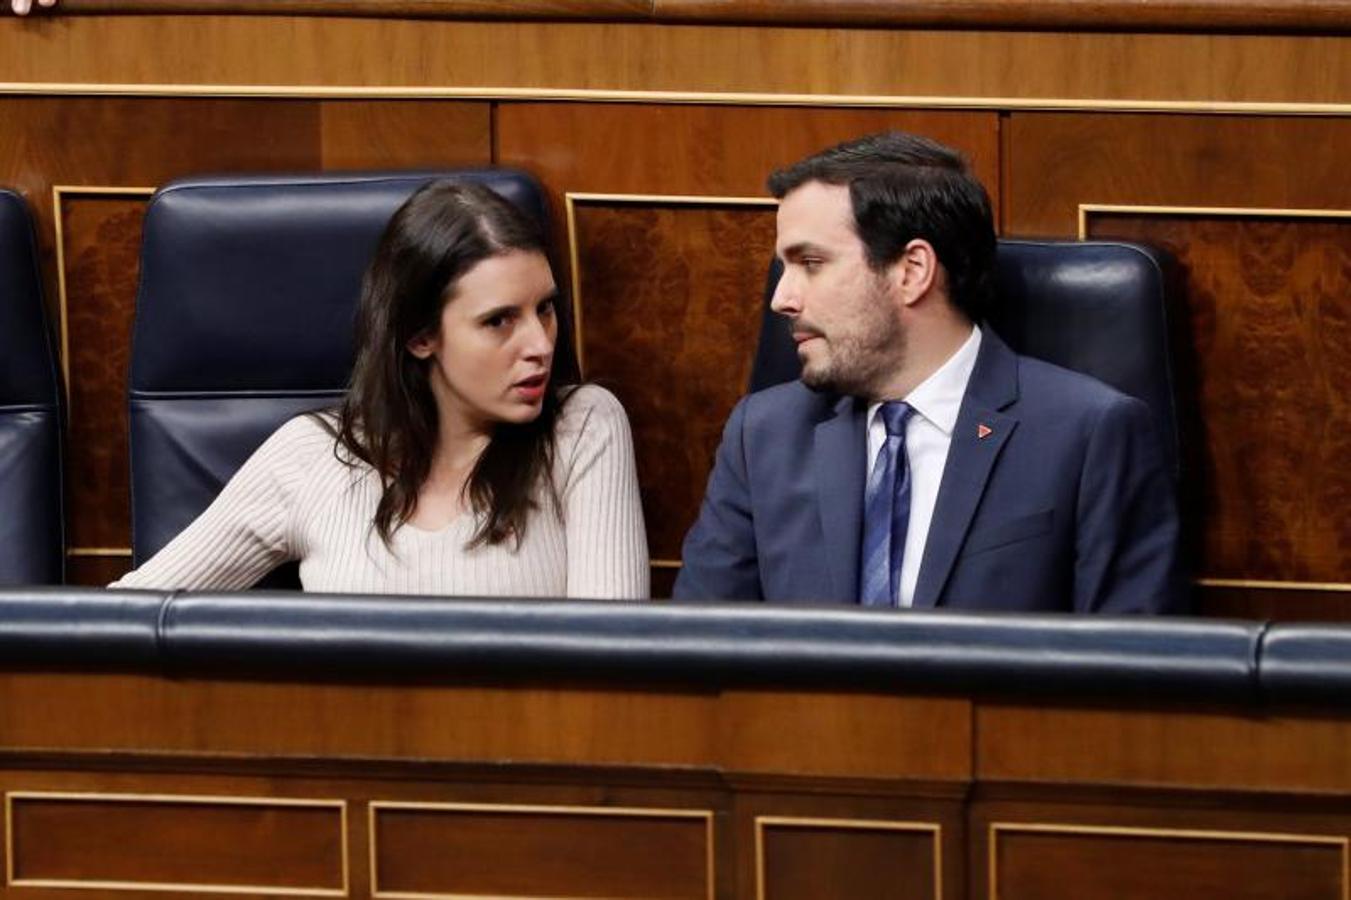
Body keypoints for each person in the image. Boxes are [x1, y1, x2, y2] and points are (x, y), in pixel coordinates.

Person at [673, 132, 1185, 613]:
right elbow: (696, 656)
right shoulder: (763, 434)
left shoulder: (1089, 434)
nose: (782, 298)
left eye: (810, 262)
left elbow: (1129, 681)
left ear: (912, 270)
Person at [113, 179, 649, 599]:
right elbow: (123, 621)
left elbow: (616, 666)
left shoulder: (583, 427)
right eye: (500, 321)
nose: (540, 344)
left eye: (545, 309)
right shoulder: (311, 457)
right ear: (421, 337)